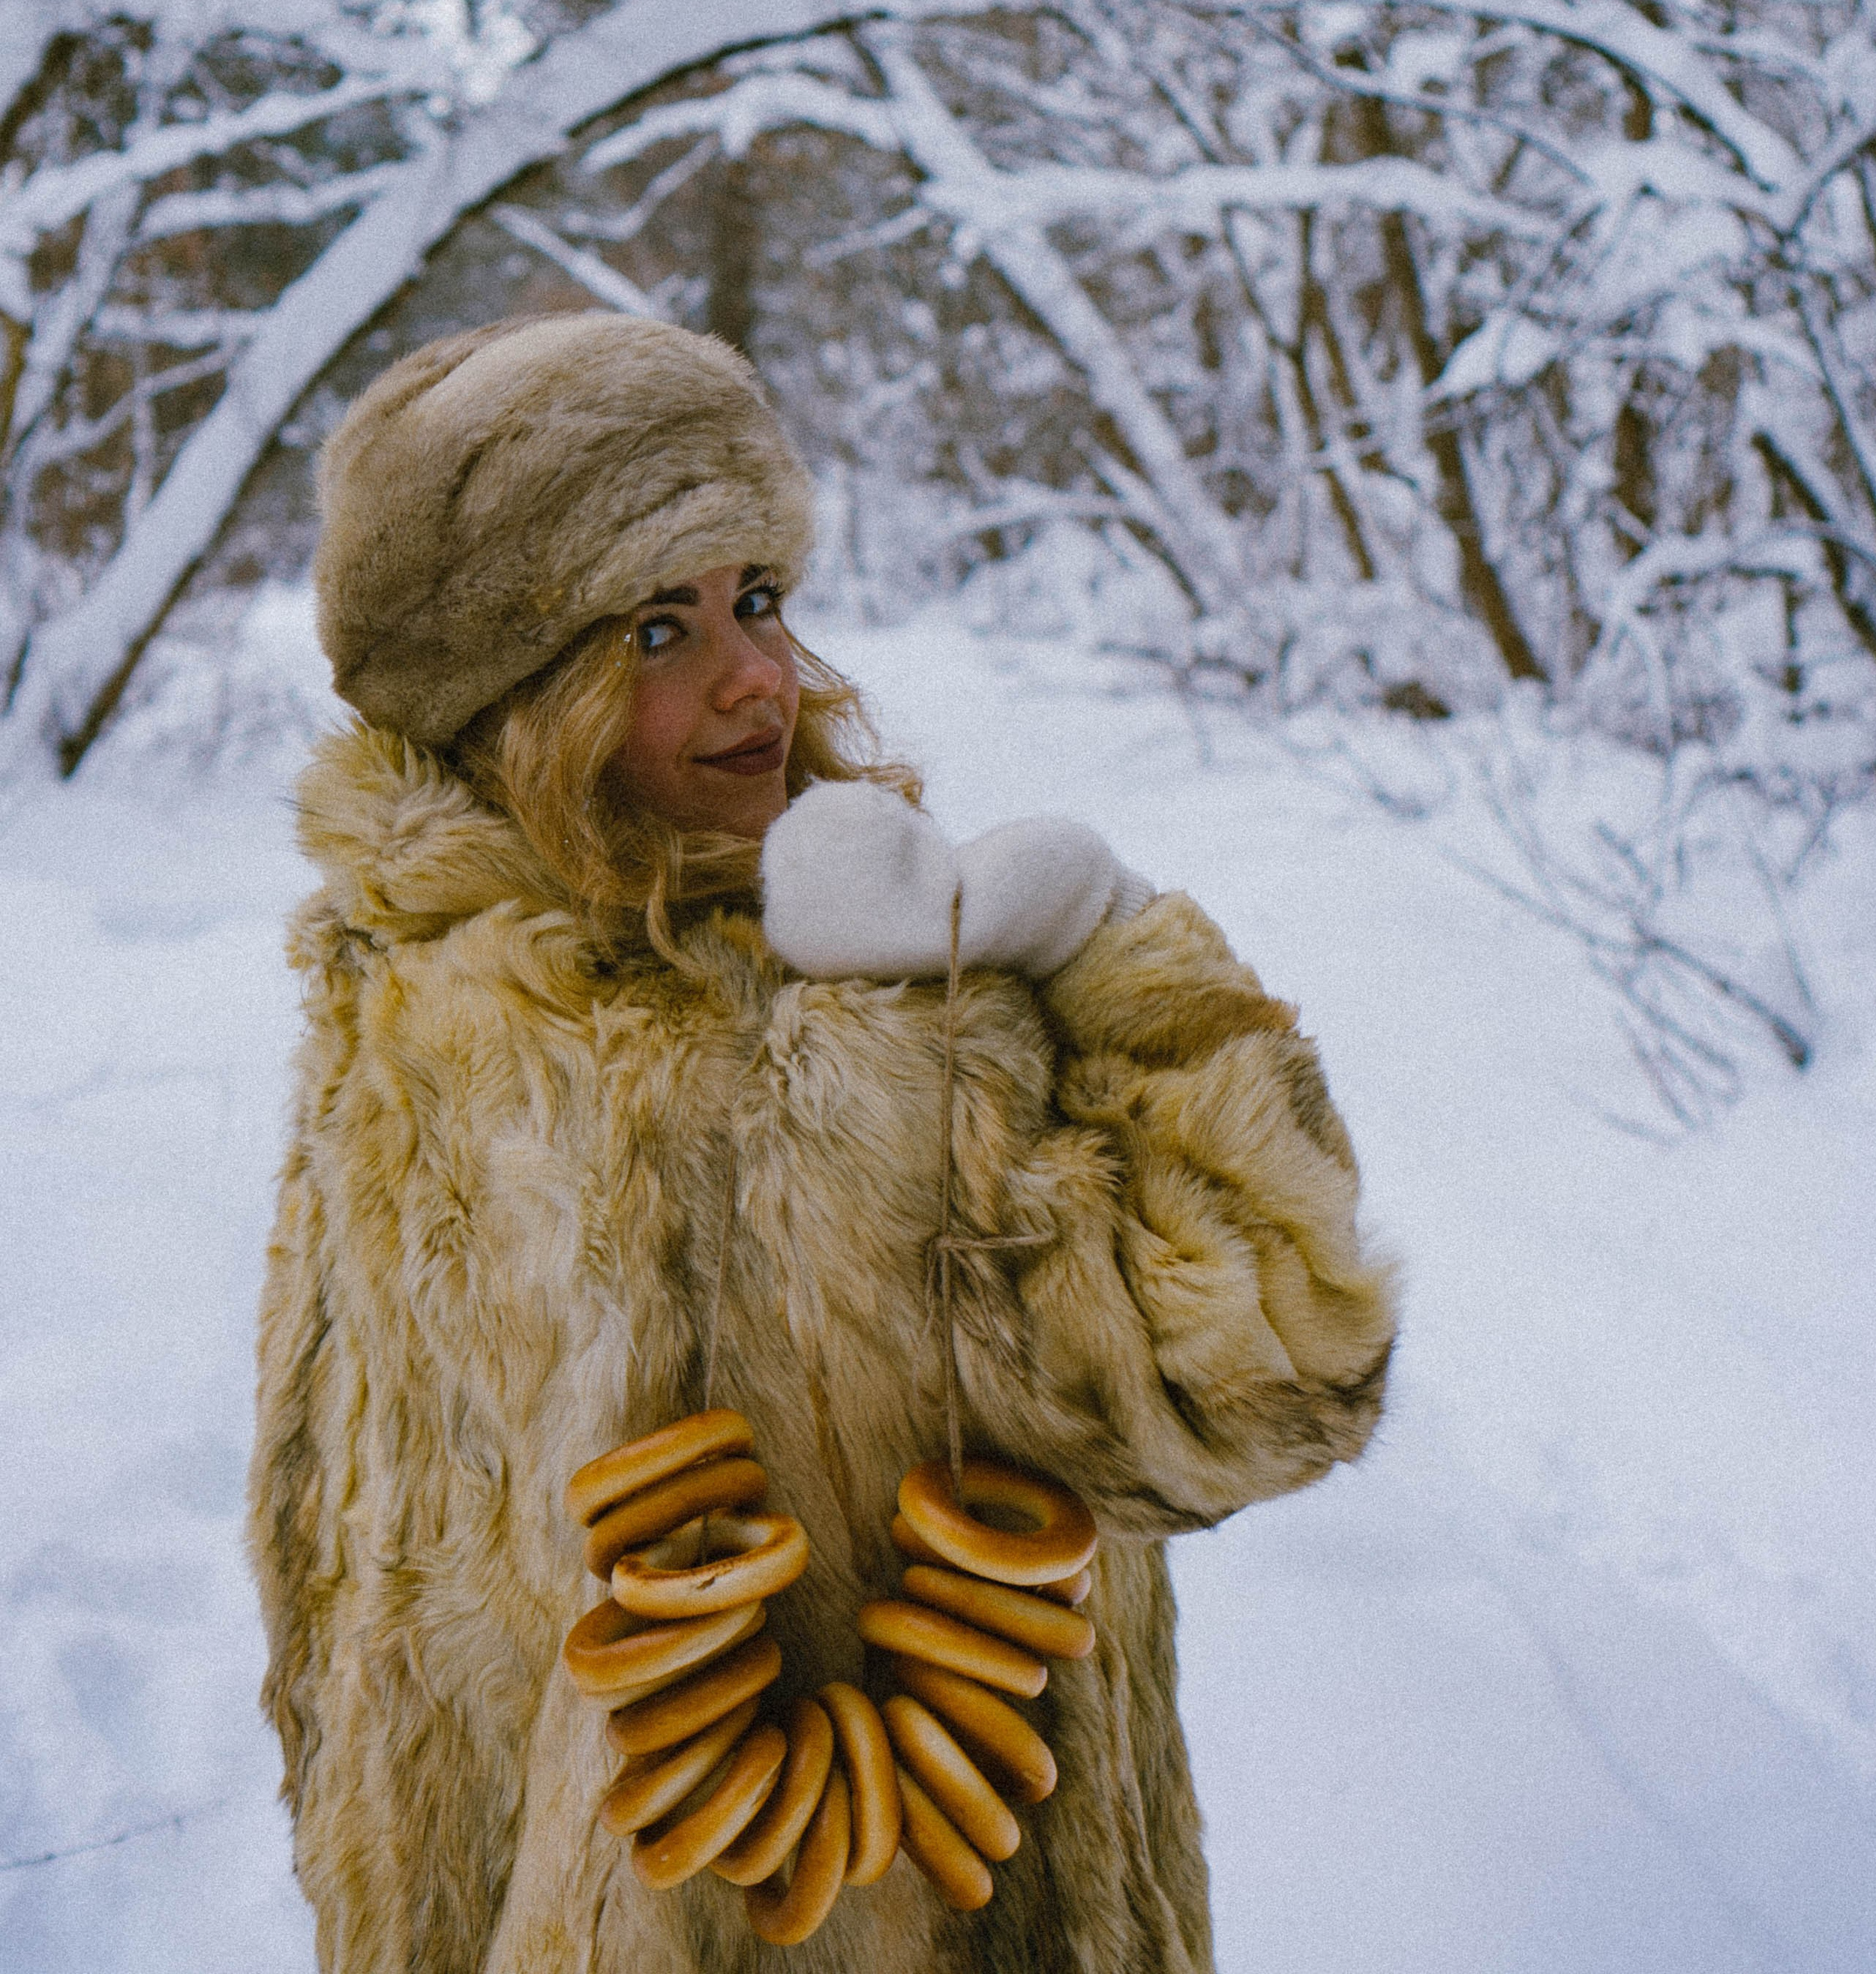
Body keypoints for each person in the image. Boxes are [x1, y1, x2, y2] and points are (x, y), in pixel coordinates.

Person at [248, 310, 1397, 1974]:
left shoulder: (391, 984)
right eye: (654, 629)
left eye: (757, 600)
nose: (760, 682)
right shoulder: (843, 1049)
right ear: (510, 692)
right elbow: (1279, 1368)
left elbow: (321, 1580)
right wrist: (1115, 951)